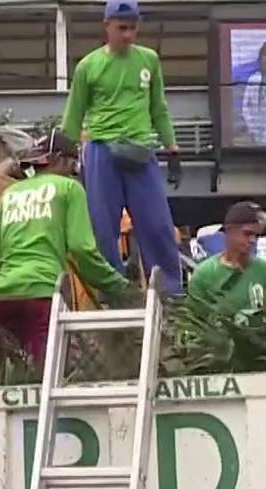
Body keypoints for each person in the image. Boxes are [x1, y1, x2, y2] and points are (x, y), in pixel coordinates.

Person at [61, 0, 183, 296]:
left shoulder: (149, 60)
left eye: (133, 28)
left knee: (158, 226)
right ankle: (114, 293)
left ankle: (170, 295)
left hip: (141, 152)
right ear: (107, 26)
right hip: (102, 151)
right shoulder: (88, 66)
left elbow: (159, 107)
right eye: (122, 28)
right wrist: (63, 157)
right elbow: (73, 115)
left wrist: (172, 147)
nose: (128, 35)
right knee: (103, 228)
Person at [0, 130, 131, 368]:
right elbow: (82, 249)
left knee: (21, 363)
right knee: (53, 370)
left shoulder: (9, 194)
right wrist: (116, 285)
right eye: (74, 165)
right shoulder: (69, 189)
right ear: (61, 160)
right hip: (40, 293)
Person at [188, 201, 266, 318]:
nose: (252, 240)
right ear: (229, 231)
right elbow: (195, 322)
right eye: (247, 234)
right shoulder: (205, 274)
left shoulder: (262, 270)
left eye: (256, 235)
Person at [241, 44, 266, 146]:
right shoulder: (253, 79)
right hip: (256, 132)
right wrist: (251, 128)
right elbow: (245, 106)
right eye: (263, 56)